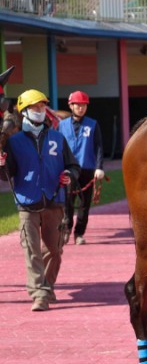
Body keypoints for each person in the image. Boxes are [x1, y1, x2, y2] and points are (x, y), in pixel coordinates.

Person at [0, 89, 79, 312]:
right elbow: (6, 175)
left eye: (43, 106)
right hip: (27, 202)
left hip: (55, 201)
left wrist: (69, 174)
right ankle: (39, 294)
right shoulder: (13, 142)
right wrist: (1, 165)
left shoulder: (57, 138)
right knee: (32, 251)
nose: (40, 110)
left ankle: (47, 286)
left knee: (54, 251)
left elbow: (73, 165)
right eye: (35, 107)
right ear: (24, 110)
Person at [57, 90, 104, 246]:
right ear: (71, 106)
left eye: (84, 105)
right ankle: (66, 230)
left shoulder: (93, 124)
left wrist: (99, 167)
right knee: (67, 202)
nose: (81, 108)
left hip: (87, 168)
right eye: (78, 105)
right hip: (68, 170)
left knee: (84, 204)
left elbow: (98, 147)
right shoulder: (61, 126)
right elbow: (56, 147)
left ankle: (79, 234)